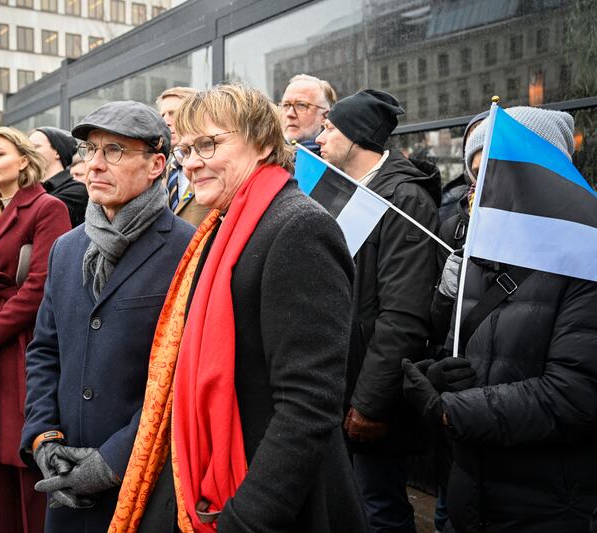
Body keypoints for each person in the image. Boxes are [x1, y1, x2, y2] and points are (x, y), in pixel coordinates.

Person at [108, 84, 367, 533]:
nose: (190, 162)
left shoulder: (298, 228)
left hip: (272, 503)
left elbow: (309, 404)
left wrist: (247, 520)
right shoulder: (221, 226)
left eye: (208, 144)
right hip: (215, 483)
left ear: (265, 143)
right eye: (185, 149)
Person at [404, 106, 597, 533]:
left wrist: (450, 410)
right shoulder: (482, 254)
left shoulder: (589, 259)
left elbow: (574, 396)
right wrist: (439, 375)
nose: (481, 188)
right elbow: (463, 348)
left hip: (548, 507)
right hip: (470, 493)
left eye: (499, 170)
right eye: (475, 174)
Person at [21, 100, 194, 532]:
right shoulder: (67, 247)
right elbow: (45, 350)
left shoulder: (188, 251)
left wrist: (113, 461)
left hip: (145, 485)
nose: (94, 165)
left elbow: (182, 381)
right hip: (65, 482)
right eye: (89, 150)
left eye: (114, 151)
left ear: (157, 165)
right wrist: (43, 438)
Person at [316, 89, 441, 533]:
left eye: (330, 127)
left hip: (369, 395)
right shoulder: (347, 190)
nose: (320, 135)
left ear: (357, 136)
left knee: (378, 511)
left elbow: (403, 315)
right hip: (336, 384)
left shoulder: (404, 200)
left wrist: (369, 402)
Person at [0, 127, 71, 533]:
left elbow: (42, 285)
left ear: (23, 160)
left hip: (22, 342)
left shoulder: (47, 208)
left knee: (24, 457)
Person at [157, 87, 211, 227]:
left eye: (173, 113)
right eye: (162, 115)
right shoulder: (161, 170)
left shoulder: (211, 163)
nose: (165, 122)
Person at [30, 127, 89, 227]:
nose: (28, 152)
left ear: (57, 152)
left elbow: (29, 219)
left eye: (35, 147)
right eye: (26, 148)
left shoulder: (77, 191)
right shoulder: (30, 188)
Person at [279, 74, 337, 155]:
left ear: (325, 116)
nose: (290, 114)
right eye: (286, 105)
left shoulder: (334, 162)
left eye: (301, 105)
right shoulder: (266, 157)